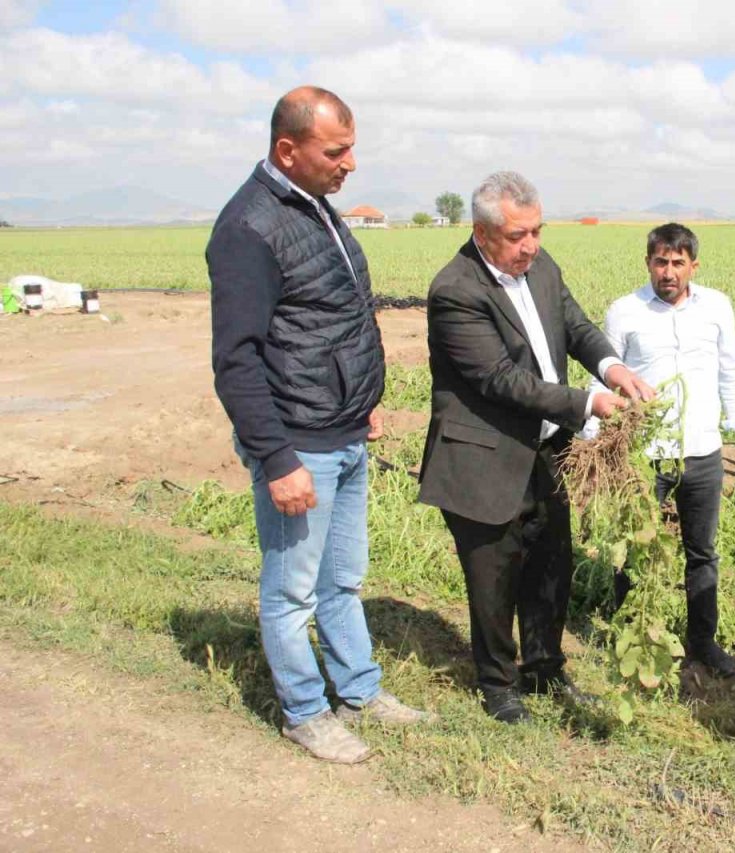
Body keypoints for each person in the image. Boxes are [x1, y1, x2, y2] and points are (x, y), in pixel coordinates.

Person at [208, 86, 429, 764]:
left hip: (344, 432)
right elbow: (236, 361)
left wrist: (362, 397)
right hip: (299, 441)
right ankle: (306, 711)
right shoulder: (249, 228)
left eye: (351, 147)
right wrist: (277, 458)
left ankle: (359, 689)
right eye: (337, 150)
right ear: (288, 150)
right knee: (291, 590)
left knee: (342, 578)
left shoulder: (314, 207)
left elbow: (332, 317)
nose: (351, 163)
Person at [417, 171, 654, 724]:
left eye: (537, 232)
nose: (531, 246)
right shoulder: (456, 290)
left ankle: (546, 670)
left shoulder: (541, 268)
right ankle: (499, 686)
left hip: (548, 454)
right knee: (494, 578)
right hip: (485, 459)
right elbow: (501, 380)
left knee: (551, 567)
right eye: (517, 235)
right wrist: (586, 403)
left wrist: (611, 366)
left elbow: (574, 325)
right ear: (481, 231)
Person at [586, 222, 735, 677]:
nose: (668, 271)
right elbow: (602, 375)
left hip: (702, 451)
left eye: (678, 263)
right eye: (660, 262)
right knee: (634, 548)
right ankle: (634, 637)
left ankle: (702, 641)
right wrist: (590, 443)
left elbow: (731, 369)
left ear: (693, 266)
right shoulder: (624, 311)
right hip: (646, 455)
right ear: (648, 262)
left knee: (701, 551)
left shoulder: (717, 307)